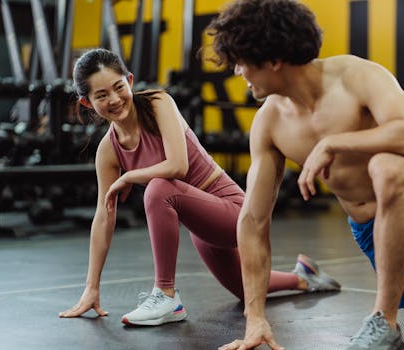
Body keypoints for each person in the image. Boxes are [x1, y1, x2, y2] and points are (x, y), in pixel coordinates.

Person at [204, 1, 404, 349]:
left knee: (385, 166)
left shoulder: (355, 77)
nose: (237, 72)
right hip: (376, 231)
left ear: (274, 61)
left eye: (242, 63)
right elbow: (253, 220)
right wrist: (256, 318)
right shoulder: (270, 124)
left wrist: (335, 143)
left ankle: (384, 321)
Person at [57, 48, 340, 327]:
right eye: (101, 95)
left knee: (158, 188)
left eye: (118, 87)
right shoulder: (108, 149)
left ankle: (166, 295)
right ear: (86, 103)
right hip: (202, 227)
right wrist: (92, 287)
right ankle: (304, 276)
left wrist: (128, 177)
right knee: (245, 290)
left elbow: (177, 166)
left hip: (235, 212)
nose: (115, 99)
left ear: (129, 81)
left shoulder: (158, 102)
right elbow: (104, 216)